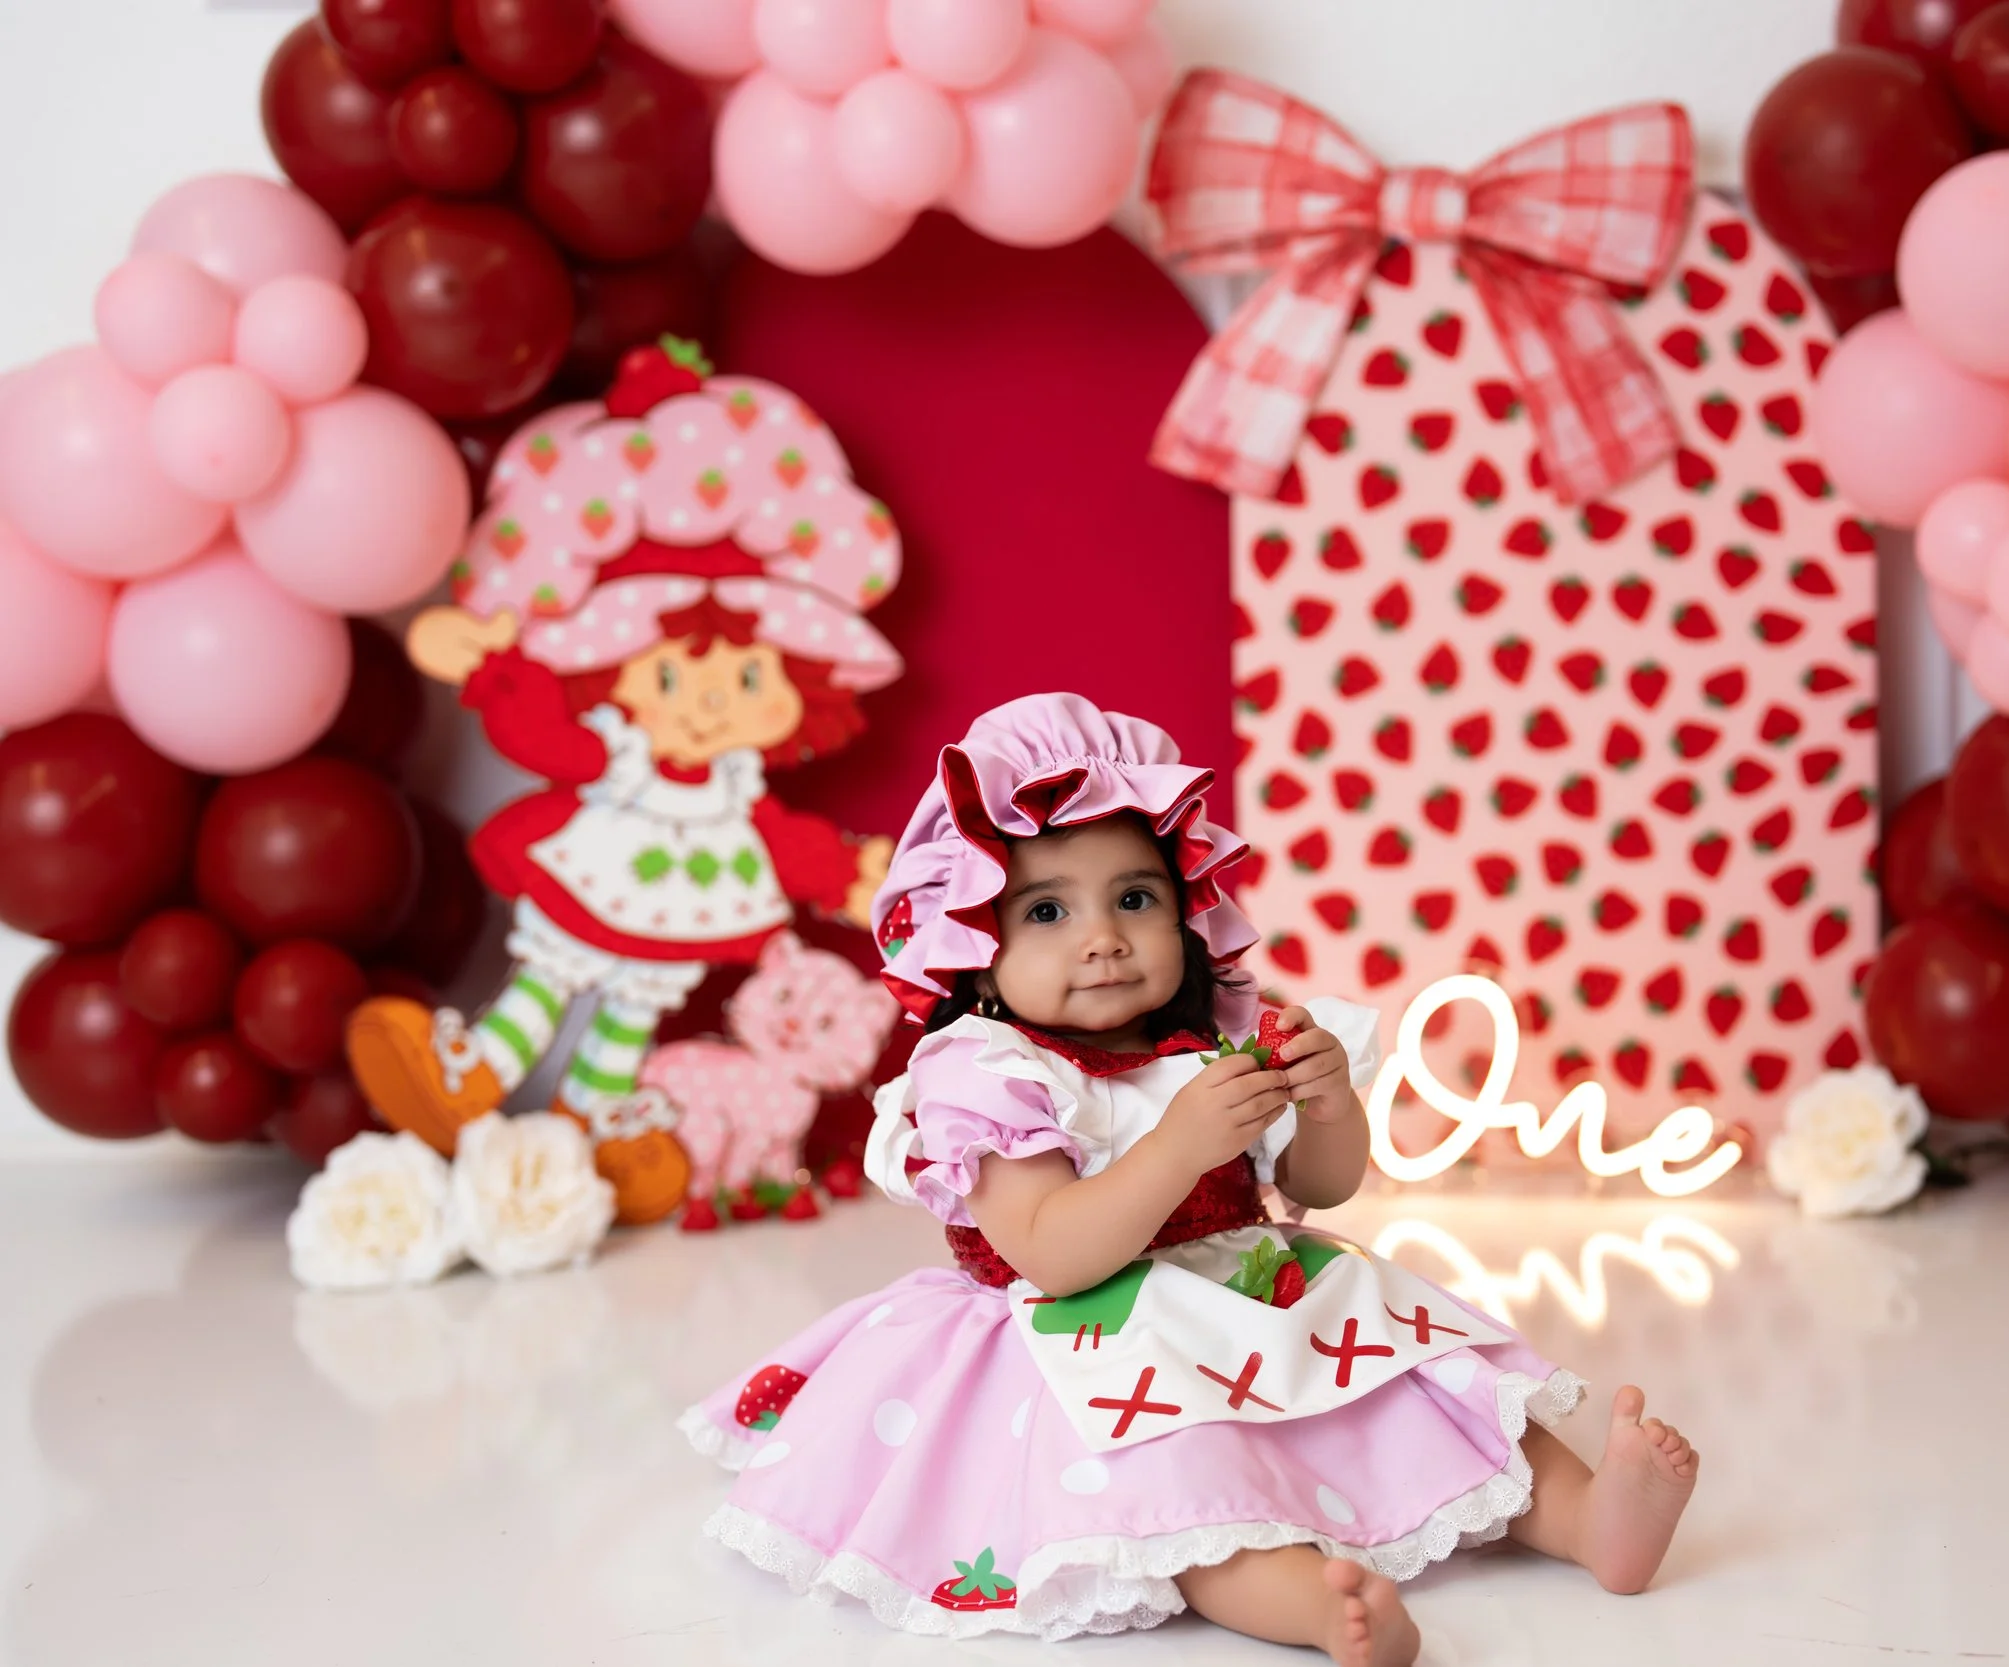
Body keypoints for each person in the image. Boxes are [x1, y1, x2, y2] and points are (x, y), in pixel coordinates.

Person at [681, 694, 1699, 1665]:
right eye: (1047, 909)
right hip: (1086, 1336)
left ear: (1188, 911)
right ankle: (1316, 1603)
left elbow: (1321, 1186)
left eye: (1135, 897)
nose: (1103, 936)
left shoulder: (1215, 1035)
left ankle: (1586, 1514)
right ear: (976, 952)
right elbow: (1050, 1251)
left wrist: (1329, 1104)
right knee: (1183, 1480)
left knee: (1425, 1388)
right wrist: (1175, 1146)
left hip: (1254, 1289)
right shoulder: (989, 1073)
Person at [346, 341, 898, 1222]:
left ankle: (592, 1135)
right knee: (544, 983)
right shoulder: (615, 753)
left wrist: (844, 875)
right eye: (673, 674)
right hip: (596, 875)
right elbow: (547, 737)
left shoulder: (735, 786)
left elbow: (782, 841)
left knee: (628, 1019)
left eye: (747, 678)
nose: (711, 704)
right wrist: (492, 667)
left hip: (682, 909)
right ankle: (471, 1076)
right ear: (609, 671)